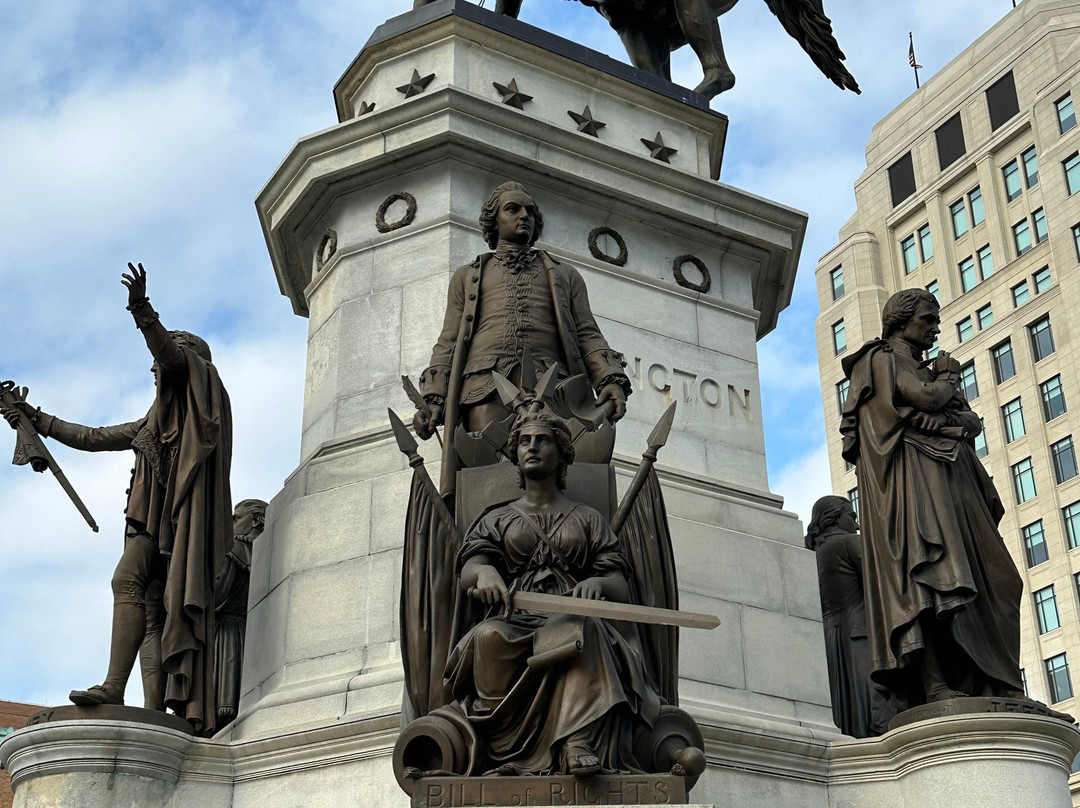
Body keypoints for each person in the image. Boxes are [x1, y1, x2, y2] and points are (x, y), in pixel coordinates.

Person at [1, 263, 232, 735]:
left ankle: (112, 686)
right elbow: (89, 436)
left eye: (162, 366)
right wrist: (32, 417)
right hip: (151, 526)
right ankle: (151, 709)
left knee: (125, 581)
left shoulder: (200, 394)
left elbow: (170, 357)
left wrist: (142, 310)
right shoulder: (150, 424)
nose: (155, 372)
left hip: (175, 528)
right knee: (150, 611)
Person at [444, 410, 659, 775]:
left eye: (542, 440)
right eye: (525, 441)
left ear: (561, 452)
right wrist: (484, 574)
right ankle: (502, 748)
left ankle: (578, 740)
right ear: (515, 452)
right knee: (488, 636)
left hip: (571, 610)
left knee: (585, 629)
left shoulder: (587, 518)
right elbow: (470, 568)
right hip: (515, 612)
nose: (532, 447)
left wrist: (598, 583)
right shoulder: (497, 518)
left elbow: (619, 583)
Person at [839, 289, 1023, 712]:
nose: (936, 327)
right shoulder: (880, 360)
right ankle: (938, 683)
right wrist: (946, 383)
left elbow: (970, 420)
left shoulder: (926, 368)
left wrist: (945, 416)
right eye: (927, 318)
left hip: (956, 478)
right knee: (934, 580)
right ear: (901, 322)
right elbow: (926, 399)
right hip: (916, 486)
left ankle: (995, 678)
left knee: (1000, 578)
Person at [413, 182, 630, 489]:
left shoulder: (565, 275)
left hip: (553, 385)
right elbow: (448, 341)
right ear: (494, 220)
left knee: (554, 475)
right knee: (485, 473)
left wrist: (610, 379)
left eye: (530, 210)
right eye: (513, 209)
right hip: (484, 386)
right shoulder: (467, 276)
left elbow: (586, 332)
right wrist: (435, 396)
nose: (524, 216)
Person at [805, 496, 893, 737]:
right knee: (873, 695)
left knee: (845, 701)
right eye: (851, 517)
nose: (855, 525)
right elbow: (885, 581)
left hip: (828, 638)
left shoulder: (811, 555)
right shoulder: (850, 543)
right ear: (834, 517)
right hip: (860, 632)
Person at [214, 498, 268, 728]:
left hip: (226, 634)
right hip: (254, 637)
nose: (231, 523)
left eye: (236, 518)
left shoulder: (233, 549)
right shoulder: (267, 553)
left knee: (222, 707)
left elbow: (217, 595)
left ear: (255, 520)